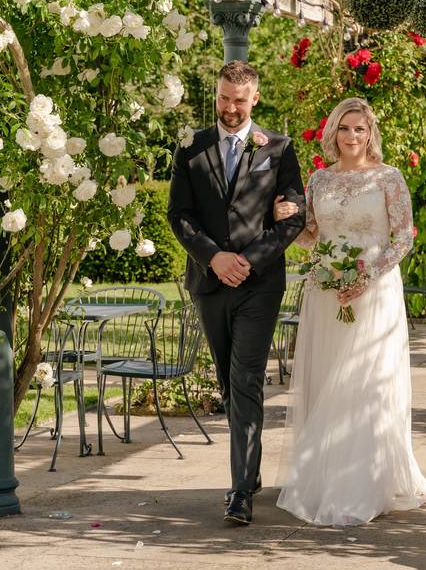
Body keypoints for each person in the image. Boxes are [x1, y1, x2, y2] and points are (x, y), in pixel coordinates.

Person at [272, 97, 426, 526]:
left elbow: (403, 238)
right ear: (333, 133)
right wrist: (286, 216)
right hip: (327, 293)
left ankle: (367, 480)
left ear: (370, 133)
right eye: (345, 128)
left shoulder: (388, 179)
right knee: (327, 382)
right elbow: (310, 237)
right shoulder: (319, 181)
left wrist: (367, 275)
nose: (352, 136)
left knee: (366, 383)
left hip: (374, 293)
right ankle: (324, 478)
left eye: (360, 129)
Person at [168, 61, 306, 525]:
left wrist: (248, 260)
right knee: (230, 386)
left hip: (259, 285)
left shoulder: (280, 149)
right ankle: (251, 469)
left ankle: (240, 492)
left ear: (255, 99)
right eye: (224, 98)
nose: (230, 108)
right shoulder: (191, 147)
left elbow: (293, 217)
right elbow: (180, 216)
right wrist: (213, 258)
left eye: (239, 101)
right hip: (210, 283)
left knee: (245, 381)